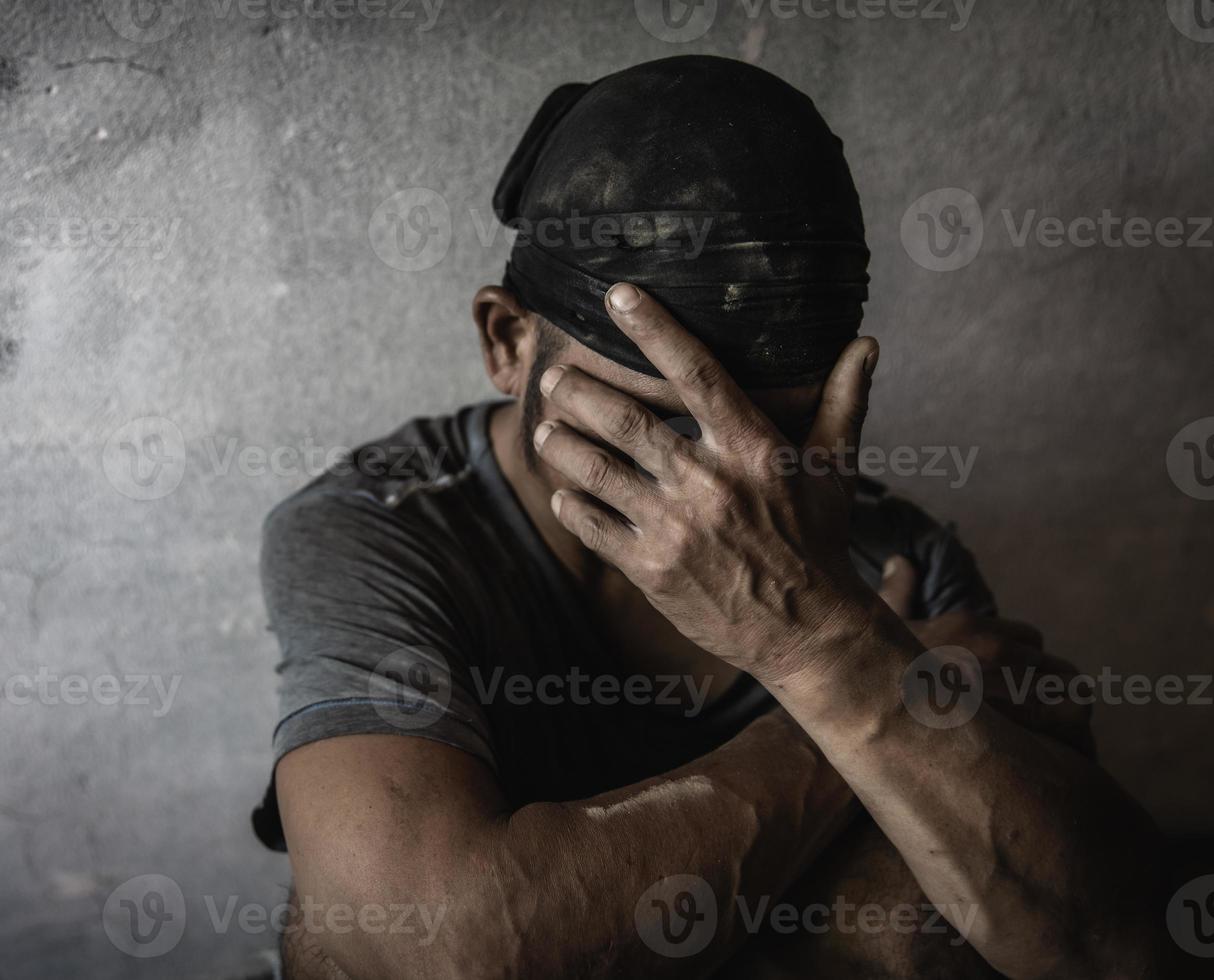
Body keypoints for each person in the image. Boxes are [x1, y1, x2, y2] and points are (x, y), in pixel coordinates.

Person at [252, 56, 1164, 978]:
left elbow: (1120, 950)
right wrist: (856, 681)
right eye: (655, 422)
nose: (722, 486)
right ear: (507, 343)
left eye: (778, 426)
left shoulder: (899, 561)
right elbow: (433, 953)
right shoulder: (388, 528)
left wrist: (819, 638)